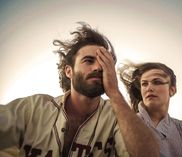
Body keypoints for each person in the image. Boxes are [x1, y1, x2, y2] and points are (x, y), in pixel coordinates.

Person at [0, 23, 160, 157]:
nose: (98, 67)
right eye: (89, 60)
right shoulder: (34, 107)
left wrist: (115, 92)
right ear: (68, 71)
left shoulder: (116, 117)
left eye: (104, 63)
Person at [118, 62, 182, 157]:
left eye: (157, 82)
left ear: (172, 90)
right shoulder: (127, 124)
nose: (149, 88)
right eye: (144, 84)